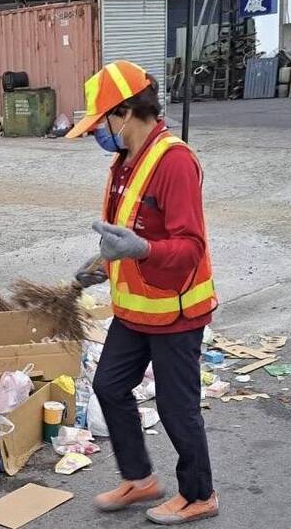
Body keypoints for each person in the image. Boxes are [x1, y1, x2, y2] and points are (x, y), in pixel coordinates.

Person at [66, 61, 219, 524]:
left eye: (101, 123)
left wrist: (144, 249)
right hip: (135, 311)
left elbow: (190, 247)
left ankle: (199, 495)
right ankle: (140, 478)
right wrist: (103, 262)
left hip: (176, 311)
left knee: (177, 409)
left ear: (127, 112)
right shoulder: (122, 164)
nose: (98, 134)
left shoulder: (174, 162)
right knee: (109, 386)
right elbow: (126, 231)